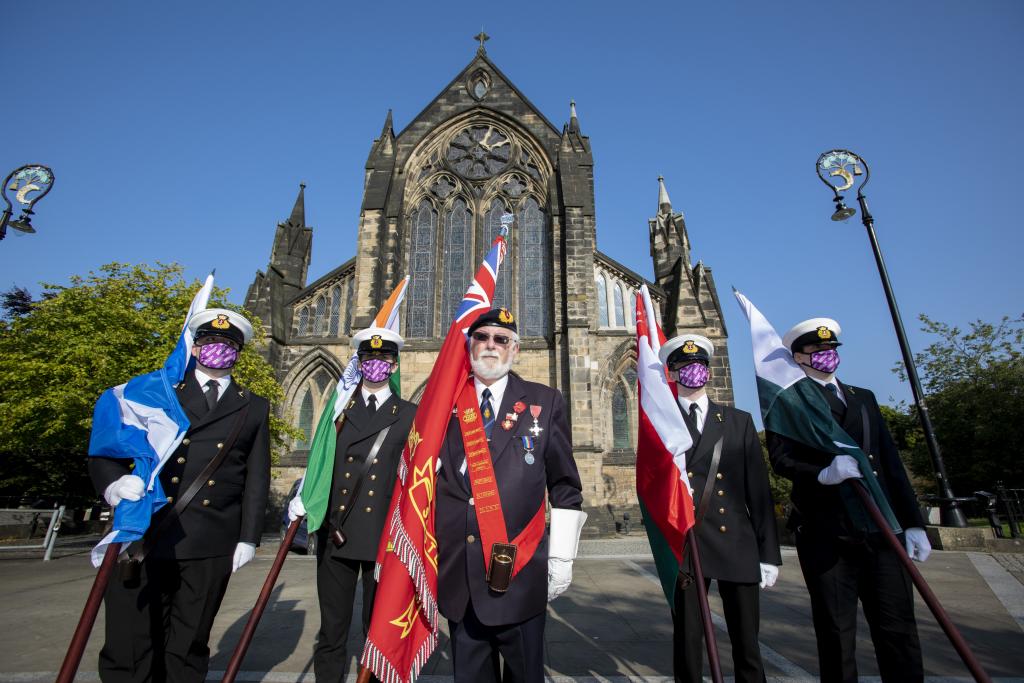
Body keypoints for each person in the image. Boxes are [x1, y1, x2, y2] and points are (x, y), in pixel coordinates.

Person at [89, 308, 271, 683]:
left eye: (228, 345)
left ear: (239, 351)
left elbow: (256, 474)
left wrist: (248, 535)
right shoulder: (155, 391)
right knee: (130, 643)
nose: (218, 349)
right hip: (143, 533)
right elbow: (108, 447)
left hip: (210, 539)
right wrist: (114, 485)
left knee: (189, 643)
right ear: (194, 346)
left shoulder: (252, 405)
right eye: (209, 342)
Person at [767, 318, 931, 683]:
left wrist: (914, 521)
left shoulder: (864, 398)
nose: (827, 356)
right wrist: (822, 472)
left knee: (899, 628)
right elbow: (781, 460)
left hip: (882, 532)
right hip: (827, 535)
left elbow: (890, 465)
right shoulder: (788, 404)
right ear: (798, 357)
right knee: (836, 634)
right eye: (817, 351)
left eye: (831, 350)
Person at [435, 308, 587, 683]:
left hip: (519, 574)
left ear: (515, 350)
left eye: (501, 339)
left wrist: (562, 558)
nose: (490, 346)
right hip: (461, 579)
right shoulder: (443, 403)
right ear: (469, 346)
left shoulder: (543, 401)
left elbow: (565, 485)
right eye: (482, 338)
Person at [286, 327, 416, 682]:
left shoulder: (408, 414)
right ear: (359, 363)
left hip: (383, 540)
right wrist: (306, 496)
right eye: (369, 358)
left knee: (377, 630)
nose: (376, 364)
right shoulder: (338, 412)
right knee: (332, 630)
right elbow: (323, 461)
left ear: (394, 364)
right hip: (337, 534)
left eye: (384, 359)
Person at [658, 334, 781, 683]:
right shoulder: (660, 423)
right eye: (684, 366)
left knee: (747, 642)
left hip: (736, 543)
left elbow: (758, 492)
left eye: (699, 366)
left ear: (709, 371)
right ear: (672, 372)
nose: (693, 372)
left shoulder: (737, 421)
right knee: (687, 641)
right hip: (685, 545)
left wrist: (769, 553)